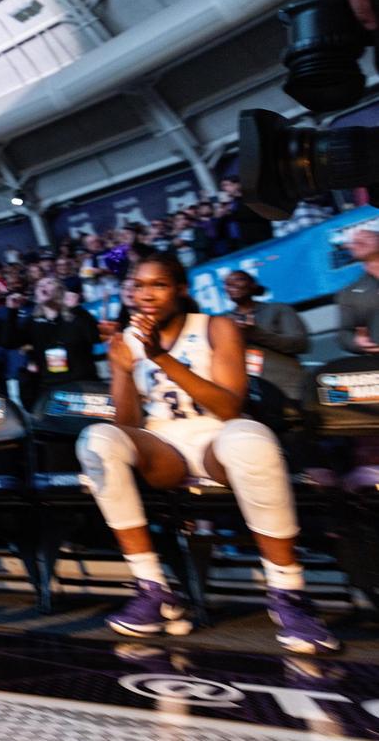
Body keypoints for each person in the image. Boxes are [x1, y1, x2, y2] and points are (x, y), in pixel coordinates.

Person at [74, 252, 338, 654]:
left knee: (251, 436)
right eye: (139, 286)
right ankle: (153, 590)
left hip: (219, 439)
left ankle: (289, 595)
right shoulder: (127, 343)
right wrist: (122, 367)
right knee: (95, 440)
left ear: (181, 289)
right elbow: (125, 425)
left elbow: (230, 407)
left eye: (158, 285)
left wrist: (159, 357)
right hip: (164, 449)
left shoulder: (218, 327)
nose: (146, 295)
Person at [5, 275, 100, 407]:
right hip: (50, 389)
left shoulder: (76, 315)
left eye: (49, 282)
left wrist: (77, 309)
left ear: (61, 291)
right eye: (39, 285)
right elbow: (9, 343)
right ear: (37, 296)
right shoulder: (32, 322)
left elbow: (95, 337)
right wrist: (11, 312)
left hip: (82, 385)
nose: (43, 286)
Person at [223, 270, 310, 402]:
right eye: (227, 284)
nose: (231, 285)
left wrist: (257, 334)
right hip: (253, 394)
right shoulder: (224, 322)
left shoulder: (278, 309)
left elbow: (301, 344)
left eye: (238, 279)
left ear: (253, 285)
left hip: (289, 387)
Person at [336, 228, 379, 355]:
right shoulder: (348, 293)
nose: (359, 240)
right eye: (354, 241)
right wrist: (357, 341)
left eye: (367, 236)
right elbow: (344, 334)